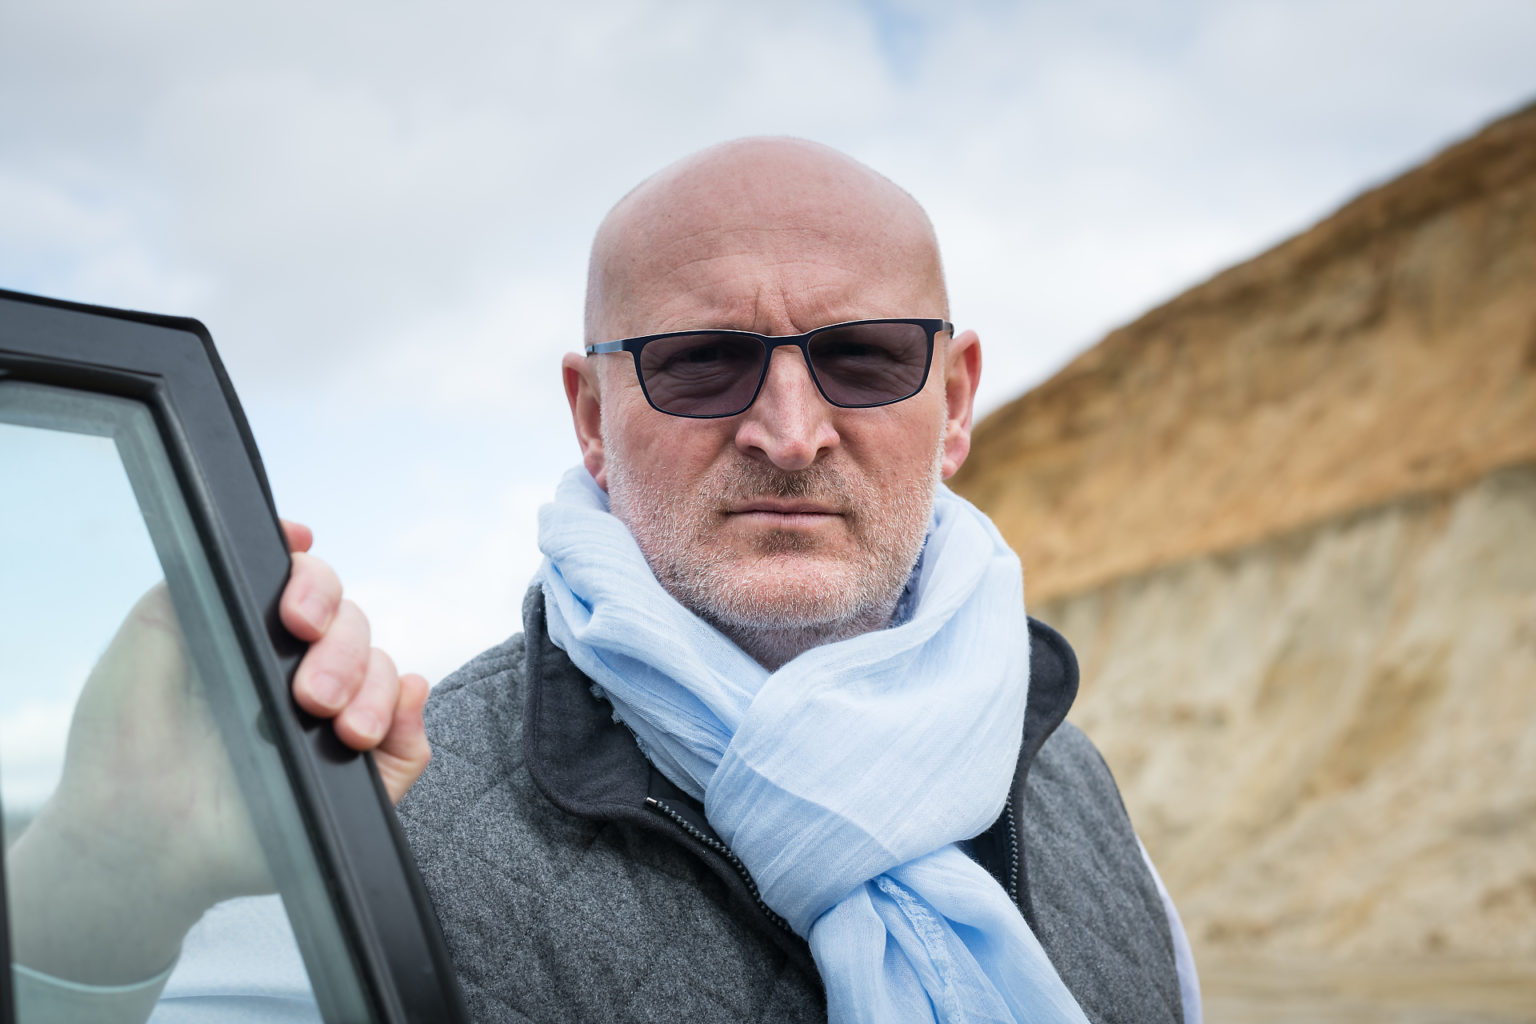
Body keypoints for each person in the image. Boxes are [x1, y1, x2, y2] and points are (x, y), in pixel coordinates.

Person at [14, 137, 1201, 1024]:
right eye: (700, 364)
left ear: (954, 403)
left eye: (863, 357)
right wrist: (99, 888)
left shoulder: (1070, 780)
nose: (790, 432)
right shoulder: (378, 826)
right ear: (591, 415)